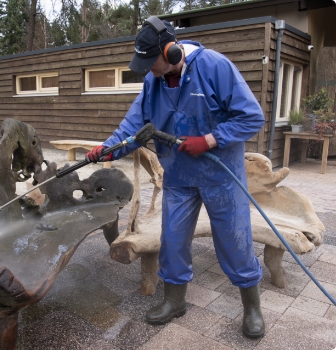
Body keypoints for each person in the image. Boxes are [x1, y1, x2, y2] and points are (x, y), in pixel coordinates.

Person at [86, 16, 265, 339]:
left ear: (170, 52)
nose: (146, 69)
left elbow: (251, 117)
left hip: (220, 176)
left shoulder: (214, 67)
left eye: (149, 61)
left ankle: (252, 308)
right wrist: (106, 149)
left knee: (235, 242)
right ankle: (174, 301)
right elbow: (133, 128)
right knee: (173, 239)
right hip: (179, 178)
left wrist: (209, 140)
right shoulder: (153, 83)